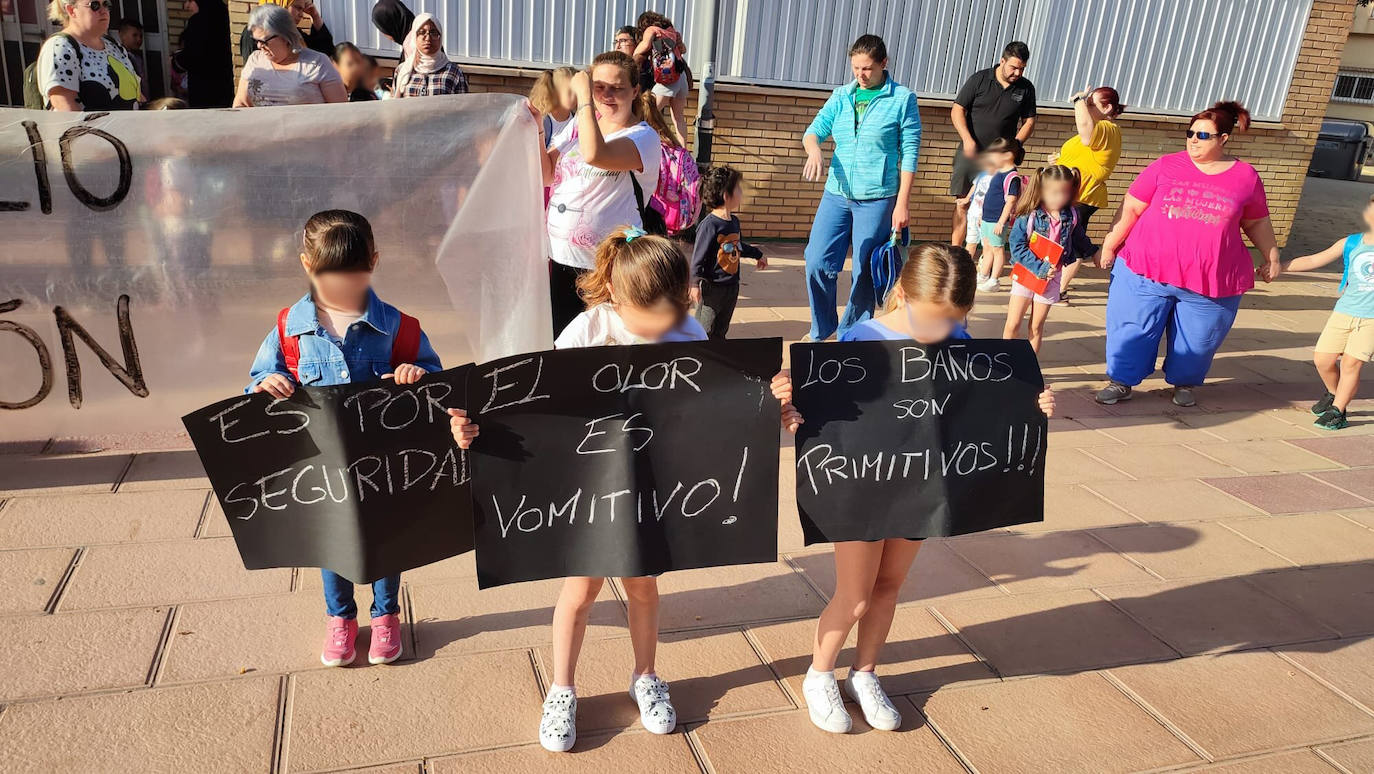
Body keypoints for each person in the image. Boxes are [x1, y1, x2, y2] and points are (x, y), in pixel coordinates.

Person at [769, 243, 1055, 735]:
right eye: (930, 319)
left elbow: (984, 402)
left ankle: (865, 672)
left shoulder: (958, 339)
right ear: (901, 294)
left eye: (951, 322)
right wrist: (790, 406)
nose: (938, 332)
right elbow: (826, 410)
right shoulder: (862, 336)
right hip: (861, 486)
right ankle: (819, 673)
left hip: (921, 481)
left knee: (888, 587)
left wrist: (1036, 401)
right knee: (855, 594)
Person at [449, 227, 701, 752]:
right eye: (649, 312)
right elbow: (535, 397)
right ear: (616, 295)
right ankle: (561, 689)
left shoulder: (686, 331)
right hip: (590, 485)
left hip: (650, 485)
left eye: (669, 310)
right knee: (580, 591)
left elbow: (713, 397)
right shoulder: (588, 329)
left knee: (643, 586)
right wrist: (474, 426)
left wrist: (770, 397)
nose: (661, 323)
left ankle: (646, 676)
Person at [247, 210, 442, 668]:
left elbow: (437, 379)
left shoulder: (399, 327)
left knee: (386, 539)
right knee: (330, 543)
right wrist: (267, 384)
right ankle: (340, 619)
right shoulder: (287, 329)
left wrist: (418, 374)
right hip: (322, 467)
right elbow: (256, 382)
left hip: (381, 463)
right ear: (306, 265)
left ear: (373, 261)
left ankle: (387, 613)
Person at [1096, 101, 1281, 408]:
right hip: (1145, 270)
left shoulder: (1245, 177)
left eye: (1204, 135)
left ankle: (1184, 383)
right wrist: (1110, 244)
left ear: (1223, 139)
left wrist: (1271, 257)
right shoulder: (1165, 165)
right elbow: (1131, 208)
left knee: (1199, 339)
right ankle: (1121, 381)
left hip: (1210, 280)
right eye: (1190, 133)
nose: (1194, 139)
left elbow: (1257, 221)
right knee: (1131, 329)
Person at [800, 34, 920, 341]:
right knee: (816, 259)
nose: (860, 75)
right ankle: (822, 325)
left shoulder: (902, 99)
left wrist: (902, 203)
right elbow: (813, 131)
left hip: (878, 198)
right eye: (855, 68)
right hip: (836, 194)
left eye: (867, 68)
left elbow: (910, 151)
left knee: (864, 269)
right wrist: (814, 149)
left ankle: (853, 334)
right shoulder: (841, 96)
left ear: (883, 63)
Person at [540, 51, 663, 336]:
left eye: (617, 88)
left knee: (599, 348)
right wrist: (535, 126)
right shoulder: (579, 124)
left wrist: (584, 98)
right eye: (599, 87)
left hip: (606, 268)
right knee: (561, 342)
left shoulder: (643, 137)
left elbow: (596, 153)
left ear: (635, 91)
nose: (606, 95)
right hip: (561, 258)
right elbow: (546, 172)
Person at [1268, 196, 1374, 430]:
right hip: (1344, 312)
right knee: (1323, 359)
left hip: (1372, 319)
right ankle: (1334, 394)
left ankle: (1339, 411)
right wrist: (1278, 267)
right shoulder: (1352, 243)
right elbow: (1315, 259)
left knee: (1351, 364)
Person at [950, 41, 1036, 246]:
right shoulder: (980, 79)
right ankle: (955, 252)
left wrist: (1014, 145)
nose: (1017, 72)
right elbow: (957, 109)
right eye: (1013, 67)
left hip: (999, 162)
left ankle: (986, 259)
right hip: (971, 153)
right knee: (963, 204)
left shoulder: (1026, 88)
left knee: (993, 207)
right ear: (1002, 61)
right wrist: (967, 139)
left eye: (1021, 69)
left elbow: (1029, 121)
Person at [1004, 165, 1095, 352]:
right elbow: (1016, 247)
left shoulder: (1072, 216)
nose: (1060, 198)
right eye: (1054, 193)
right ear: (1041, 190)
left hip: (1052, 278)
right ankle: (1007, 369)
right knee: (1013, 325)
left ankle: (1030, 373)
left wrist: (1095, 252)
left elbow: (1079, 239)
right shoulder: (1029, 215)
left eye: (1065, 192)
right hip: (1027, 273)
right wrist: (1040, 268)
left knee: (1036, 327)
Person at [1049, 86, 1126, 304]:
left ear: (1108, 108)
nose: (1085, 107)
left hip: (1082, 197)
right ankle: (1058, 282)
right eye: (1086, 103)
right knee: (1063, 240)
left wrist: (1077, 100)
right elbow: (1079, 151)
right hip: (1067, 194)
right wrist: (1058, 161)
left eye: (1091, 104)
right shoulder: (1097, 128)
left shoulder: (1107, 129)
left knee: (1070, 244)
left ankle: (1059, 291)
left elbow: (1086, 133)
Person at [691, 166, 767, 338]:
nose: (741, 192)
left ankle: (718, 357)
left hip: (731, 286)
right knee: (705, 328)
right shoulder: (709, 225)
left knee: (721, 328)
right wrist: (694, 284)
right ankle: (698, 357)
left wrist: (758, 254)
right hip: (712, 288)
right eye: (738, 189)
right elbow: (698, 257)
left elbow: (737, 246)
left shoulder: (734, 221)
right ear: (726, 195)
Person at [37, 0, 143, 111]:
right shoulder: (61, 46)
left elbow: (137, 98)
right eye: (95, 5)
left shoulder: (113, 45)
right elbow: (65, 106)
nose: (104, 11)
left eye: (106, 4)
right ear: (72, 10)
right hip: (89, 128)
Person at [234, 4, 346, 107]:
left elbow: (341, 111)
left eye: (264, 41)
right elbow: (241, 104)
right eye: (255, 40)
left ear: (285, 37)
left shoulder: (318, 63)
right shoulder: (254, 60)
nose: (259, 46)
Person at [633, 11, 690, 145]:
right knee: (678, 118)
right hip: (680, 76)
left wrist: (634, 54)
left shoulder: (652, 29)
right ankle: (683, 151)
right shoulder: (673, 31)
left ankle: (640, 145)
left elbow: (646, 45)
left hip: (667, 78)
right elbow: (683, 50)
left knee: (648, 112)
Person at [976, 137, 1024, 292]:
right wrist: (981, 216)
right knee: (987, 248)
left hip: (997, 220)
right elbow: (990, 196)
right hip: (987, 218)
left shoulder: (1012, 177)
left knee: (997, 249)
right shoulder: (998, 173)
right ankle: (983, 275)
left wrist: (1001, 222)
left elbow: (1010, 201)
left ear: (1008, 155)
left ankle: (994, 280)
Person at [392, 14, 469, 98]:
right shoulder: (402, 70)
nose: (428, 38)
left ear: (440, 37)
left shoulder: (454, 72)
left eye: (433, 33)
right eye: (422, 32)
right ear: (415, 37)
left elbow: (463, 108)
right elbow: (395, 107)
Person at [179, 0, 235, 108]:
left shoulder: (197, 23)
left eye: (190, 1)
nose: (186, 6)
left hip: (203, 92)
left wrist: (177, 60)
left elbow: (192, 57)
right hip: (225, 91)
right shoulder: (226, 17)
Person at [239, 0, 333, 63]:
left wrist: (315, 16)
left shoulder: (295, 34)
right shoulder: (254, 33)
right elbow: (255, 78)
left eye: (303, 9)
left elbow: (325, 53)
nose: (302, 15)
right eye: (298, 8)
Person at [958, 156, 996, 267]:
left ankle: (984, 268)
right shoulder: (982, 173)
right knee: (971, 241)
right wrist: (967, 199)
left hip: (985, 217)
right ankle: (965, 266)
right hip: (973, 213)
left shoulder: (997, 178)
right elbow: (975, 186)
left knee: (987, 245)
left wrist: (984, 214)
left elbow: (993, 198)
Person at [529, 66, 577, 147]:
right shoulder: (542, 122)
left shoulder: (577, 120)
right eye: (571, 91)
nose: (577, 95)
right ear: (555, 92)